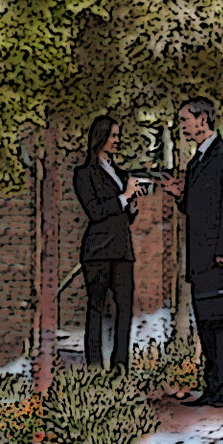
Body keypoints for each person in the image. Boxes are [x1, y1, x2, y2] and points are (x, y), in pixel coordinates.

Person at [174, 97, 223, 410]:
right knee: (206, 321)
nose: (182, 126)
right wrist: (181, 195)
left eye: (185, 120)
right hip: (200, 256)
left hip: (222, 256)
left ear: (203, 119)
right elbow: (198, 208)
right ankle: (213, 386)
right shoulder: (197, 160)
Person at [72, 115, 141, 371]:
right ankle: (94, 368)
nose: (117, 140)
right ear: (100, 137)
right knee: (96, 309)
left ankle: (121, 368)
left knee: (125, 310)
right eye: (113, 136)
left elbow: (125, 217)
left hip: (123, 250)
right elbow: (95, 212)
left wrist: (132, 204)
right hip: (98, 251)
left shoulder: (121, 173)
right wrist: (123, 198)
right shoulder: (84, 174)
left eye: (118, 136)